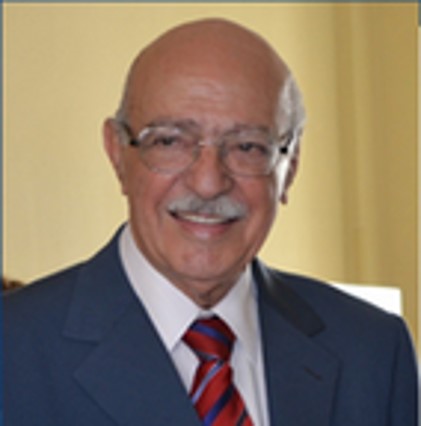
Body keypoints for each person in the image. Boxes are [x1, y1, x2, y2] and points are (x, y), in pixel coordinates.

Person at [3, 18, 417, 426]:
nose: (208, 182)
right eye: (169, 141)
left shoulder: (373, 351)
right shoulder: (12, 350)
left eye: (247, 147)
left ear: (289, 168)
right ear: (117, 154)